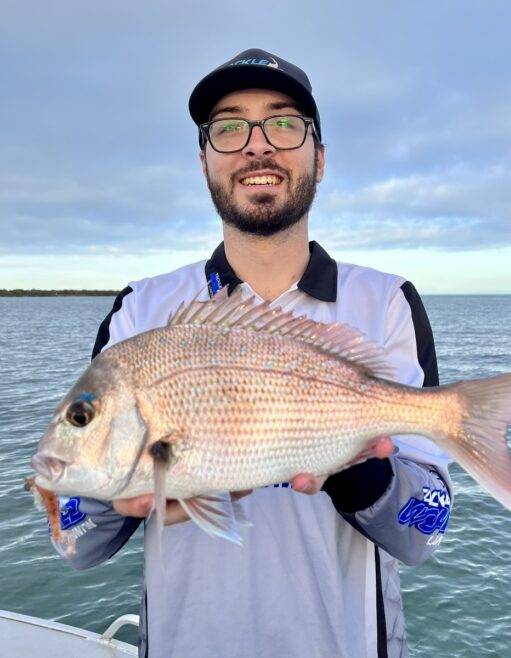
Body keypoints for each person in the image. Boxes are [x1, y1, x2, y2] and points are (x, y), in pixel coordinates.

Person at [53, 48, 453, 658]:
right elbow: (77, 544)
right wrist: (116, 498)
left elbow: (426, 530)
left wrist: (360, 469)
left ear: (319, 158)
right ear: (204, 160)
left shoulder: (389, 302)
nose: (257, 146)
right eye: (229, 126)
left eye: (285, 123)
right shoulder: (141, 309)